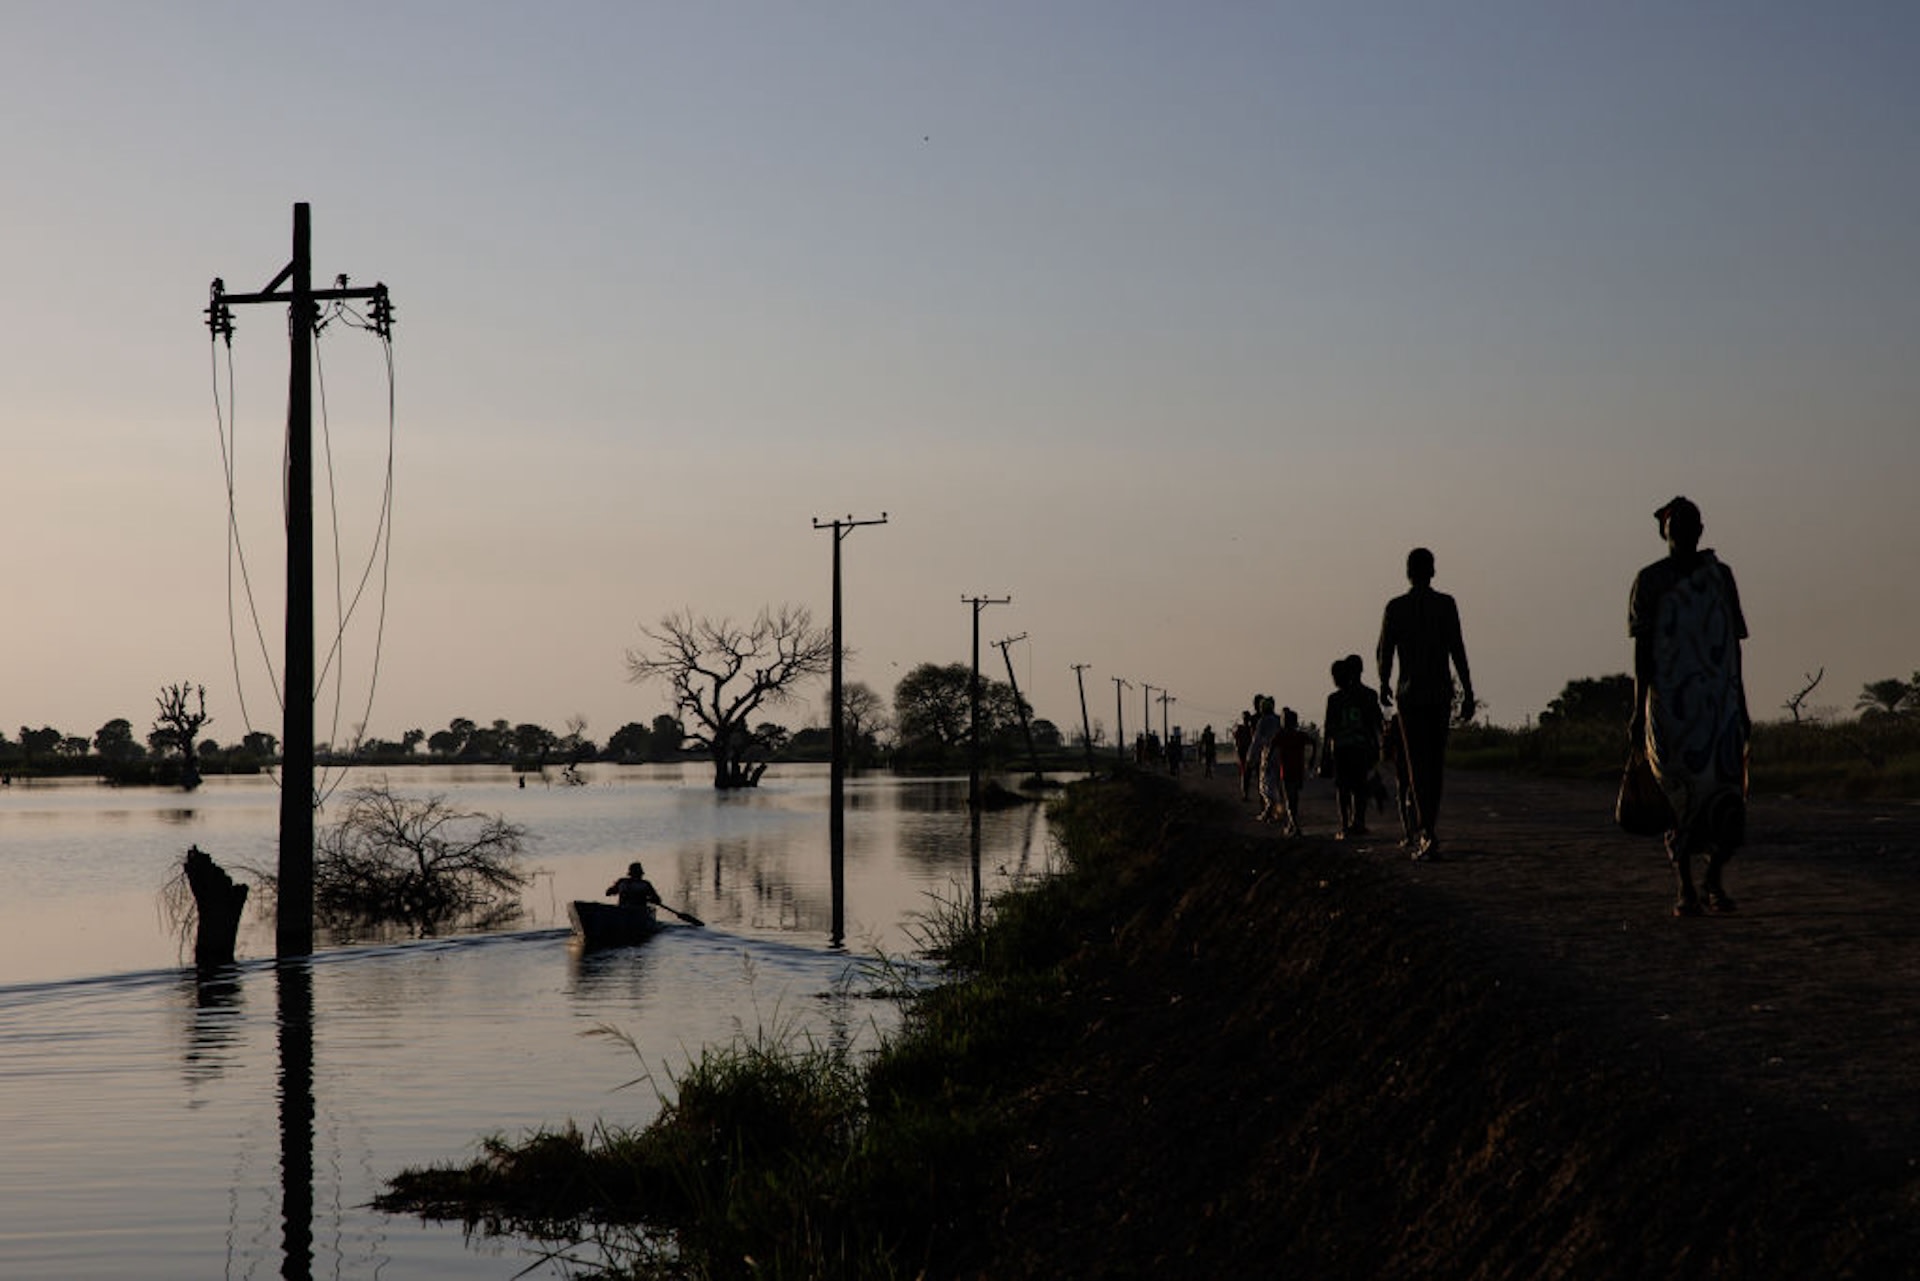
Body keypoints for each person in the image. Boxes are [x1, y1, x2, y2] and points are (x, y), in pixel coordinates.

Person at [1629, 496, 1749, 916]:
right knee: (1679, 798)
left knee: (1728, 796)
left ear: (1702, 529)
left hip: (1719, 705)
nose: (1683, 529)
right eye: (1676, 523)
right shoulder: (1650, 581)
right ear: (1664, 530)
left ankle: (1713, 878)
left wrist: (1742, 703)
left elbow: (1733, 643)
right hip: (1670, 709)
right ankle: (1684, 885)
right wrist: (1637, 709)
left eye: (1691, 522)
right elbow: (1643, 653)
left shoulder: (1720, 577)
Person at [1377, 549, 1475, 859]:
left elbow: (1384, 650)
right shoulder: (1445, 605)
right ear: (1432, 571)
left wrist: (1383, 682)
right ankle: (1428, 828)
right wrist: (1468, 690)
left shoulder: (1396, 607)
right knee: (1434, 763)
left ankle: (1428, 832)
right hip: (1439, 692)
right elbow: (1457, 647)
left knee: (1418, 765)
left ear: (1408, 572)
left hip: (1411, 693)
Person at [1322, 656, 1384, 839]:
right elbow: (1377, 724)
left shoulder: (1335, 699)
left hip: (1341, 748)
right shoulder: (1369, 695)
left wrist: (1325, 754)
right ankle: (1359, 822)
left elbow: (1329, 729)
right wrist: (1379, 747)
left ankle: (1345, 824)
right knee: (1359, 786)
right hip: (1361, 747)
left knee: (1343, 788)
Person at [1268, 708, 1317, 835]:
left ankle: (1295, 826)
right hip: (1298, 771)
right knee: (1294, 798)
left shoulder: (1281, 735)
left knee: (1290, 799)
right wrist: (1312, 758)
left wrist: (1267, 763)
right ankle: (1291, 824)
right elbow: (1314, 742)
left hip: (1287, 772)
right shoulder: (1299, 735)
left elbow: (1270, 750)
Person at [1247, 696, 1282, 819]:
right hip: (1281, 755)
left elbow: (1257, 741)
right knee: (1278, 783)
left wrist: (1251, 759)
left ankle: (1270, 809)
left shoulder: (1262, 721)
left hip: (1268, 754)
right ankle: (1278, 809)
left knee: (1265, 784)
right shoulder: (1279, 719)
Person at [1232, 711, 1255, 800]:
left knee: (1247, 773)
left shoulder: (1250, 728)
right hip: (1243, 752)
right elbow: (1236, 739)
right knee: (1246, 773)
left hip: (1249, 751)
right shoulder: (1241, 728)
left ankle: (1246, 793)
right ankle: (1245, 793)